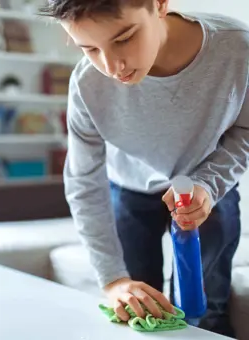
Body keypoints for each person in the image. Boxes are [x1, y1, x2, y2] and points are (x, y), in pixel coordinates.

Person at [39, 0, 248, 337]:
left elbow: (246, 131)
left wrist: (209, 185)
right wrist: (113, 280)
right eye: (89, 48)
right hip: (129, 190)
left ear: (160, 4)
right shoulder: (87, 84)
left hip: (209, 190)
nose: (111, 66)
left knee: (208, 310)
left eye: (123, 39)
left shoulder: (238, 49)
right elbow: (83, 182)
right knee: (137, 314)